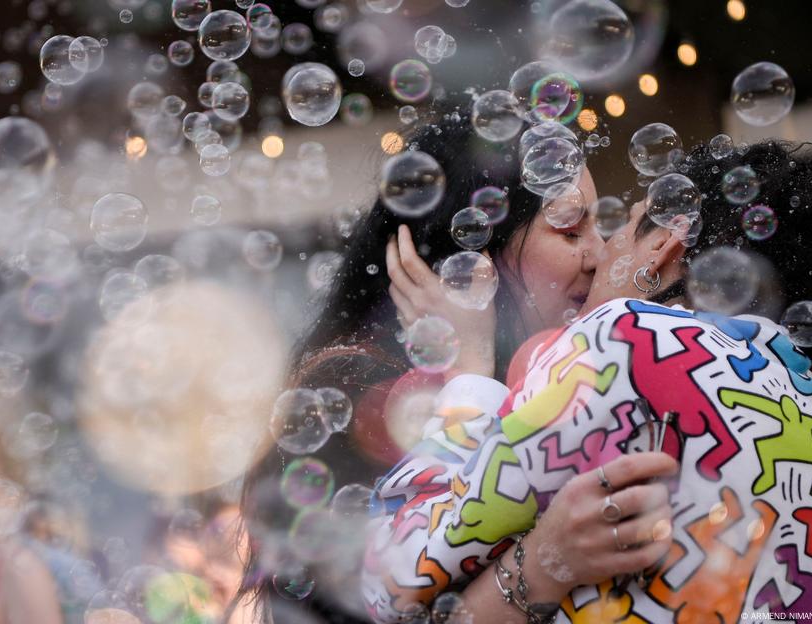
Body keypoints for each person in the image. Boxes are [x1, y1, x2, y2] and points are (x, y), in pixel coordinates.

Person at [364, 139, 812, 621]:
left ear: (666, 245)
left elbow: (394, 576)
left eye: (619, 226)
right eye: (572, 230)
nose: (598, 257)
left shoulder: (629, 338)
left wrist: (469, 372)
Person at [232, 97, 675, 623]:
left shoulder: (536, 376)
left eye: (597, 228)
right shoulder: (353, 388)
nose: (598, 255)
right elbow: (399, 594)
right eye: (569, 229)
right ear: (472, 249)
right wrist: (470, 362)